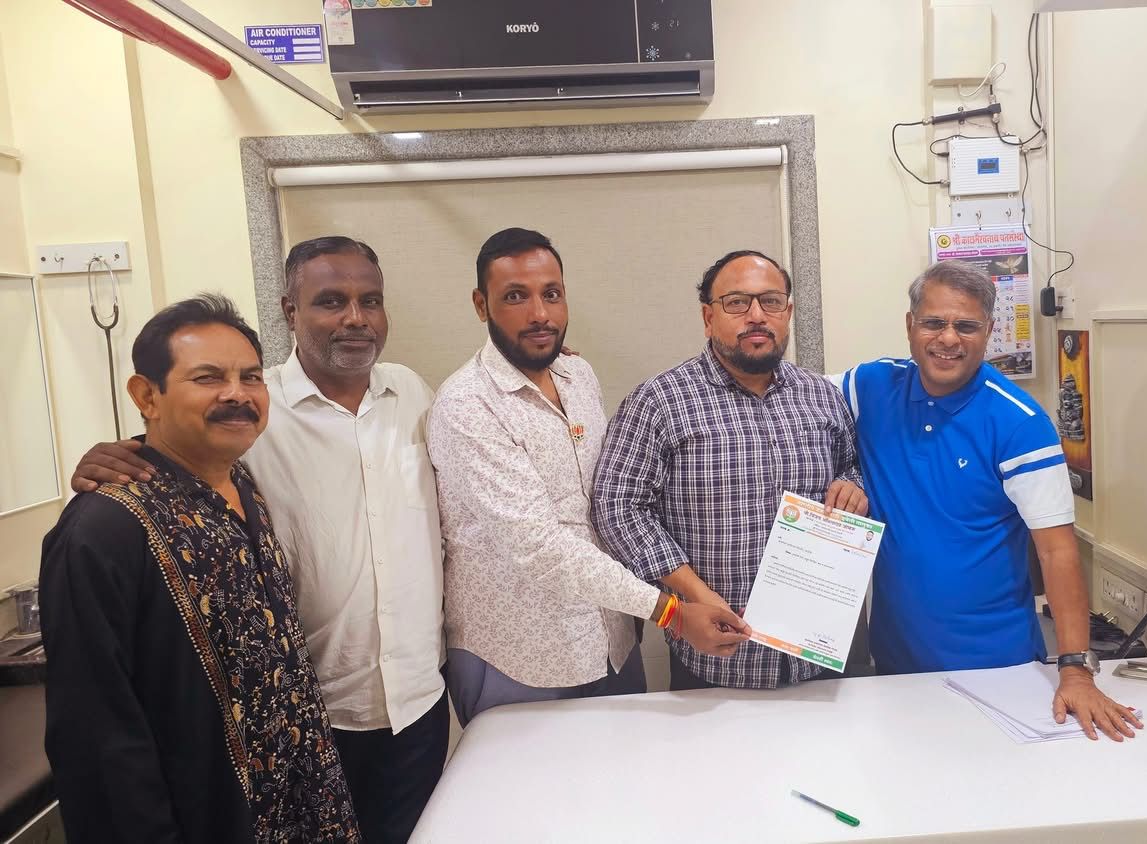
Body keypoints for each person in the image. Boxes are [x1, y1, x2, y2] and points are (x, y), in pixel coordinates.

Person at [69, 238, 447, 843]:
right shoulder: (254, 413)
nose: (356, 318)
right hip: (307, 722)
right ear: (290, 311)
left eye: (370, 301)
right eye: (331, 301)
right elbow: (177, 450)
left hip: (418, 705)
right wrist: (115, 454)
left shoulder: (415, 395)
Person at [41, 294, 361, 842]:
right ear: (147, 396)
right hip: (205, 817)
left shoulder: (243, 486)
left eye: (251, 377)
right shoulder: (104, 530)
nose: (237, 394)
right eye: (208, 377)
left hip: (299, 805)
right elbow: (95, 734)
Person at [427, 227, 750, 723]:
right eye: (515, 296)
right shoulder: (467, 405)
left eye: (551, 294)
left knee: (626, 769)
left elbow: (608, 499)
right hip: (521, 657)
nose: (540, 314)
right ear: (480, 304)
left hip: (612, 643)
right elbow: (539, 545)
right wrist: (669, 611)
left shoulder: (578, 375)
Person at [832, 260, 1143, 741]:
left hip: (1000, 673)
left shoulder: (1020, 423)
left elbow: (1057, 551)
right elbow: (791, 405)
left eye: (966, 326)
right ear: (910, 325)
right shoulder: (869, 387)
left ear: (990, 331)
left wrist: (1076, 669)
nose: (948, 339)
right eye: (934, 322)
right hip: (894, 668)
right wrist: (844, 475)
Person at [592, 250, 866, 691]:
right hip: (717, 661)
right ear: (708, 317)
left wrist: (853, 485)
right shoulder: (659, 401)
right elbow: (617, 507)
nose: (756, 316)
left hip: (819, 657)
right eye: (737, 302)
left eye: (770, 301)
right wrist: (694, 593)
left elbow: (853, 465)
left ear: (788, 312)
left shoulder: (821, 395)